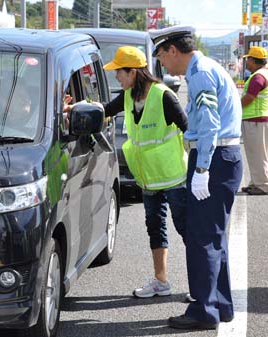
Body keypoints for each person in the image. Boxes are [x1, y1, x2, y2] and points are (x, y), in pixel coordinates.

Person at [67, 46, 189, 298]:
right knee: (155, 228)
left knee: (187, 228)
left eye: (119, 73)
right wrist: (71, 109)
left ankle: (201, 284)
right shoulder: (127, 96)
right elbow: (103, 110)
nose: (117, 78)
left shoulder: (163, 96)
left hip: (174, 177)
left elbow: (189, 129)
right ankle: (161, 281)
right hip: (148, 178)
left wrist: (201, 170)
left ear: (133, 72)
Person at [150, 25, 242, 330]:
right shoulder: (206, 68)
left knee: (202, 238)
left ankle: (204, 311)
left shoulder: (200, 72)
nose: (162, 62)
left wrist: (201, 170)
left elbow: (210, 126)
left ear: (173, 50)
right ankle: (220, 305)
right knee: (214, 238)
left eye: (162, 55)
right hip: (223, 158)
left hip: (213, 160)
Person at [240, 46, 268, 196]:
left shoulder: (258, 77)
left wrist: (235, 107)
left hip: (256, 120)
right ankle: (256, 182)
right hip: (259, 119)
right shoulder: (263, 74)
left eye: (248, 59)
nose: (247, 62)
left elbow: (249, 98)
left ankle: (262, 185)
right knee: (256, 154)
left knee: (257, 154)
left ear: (254, 60)